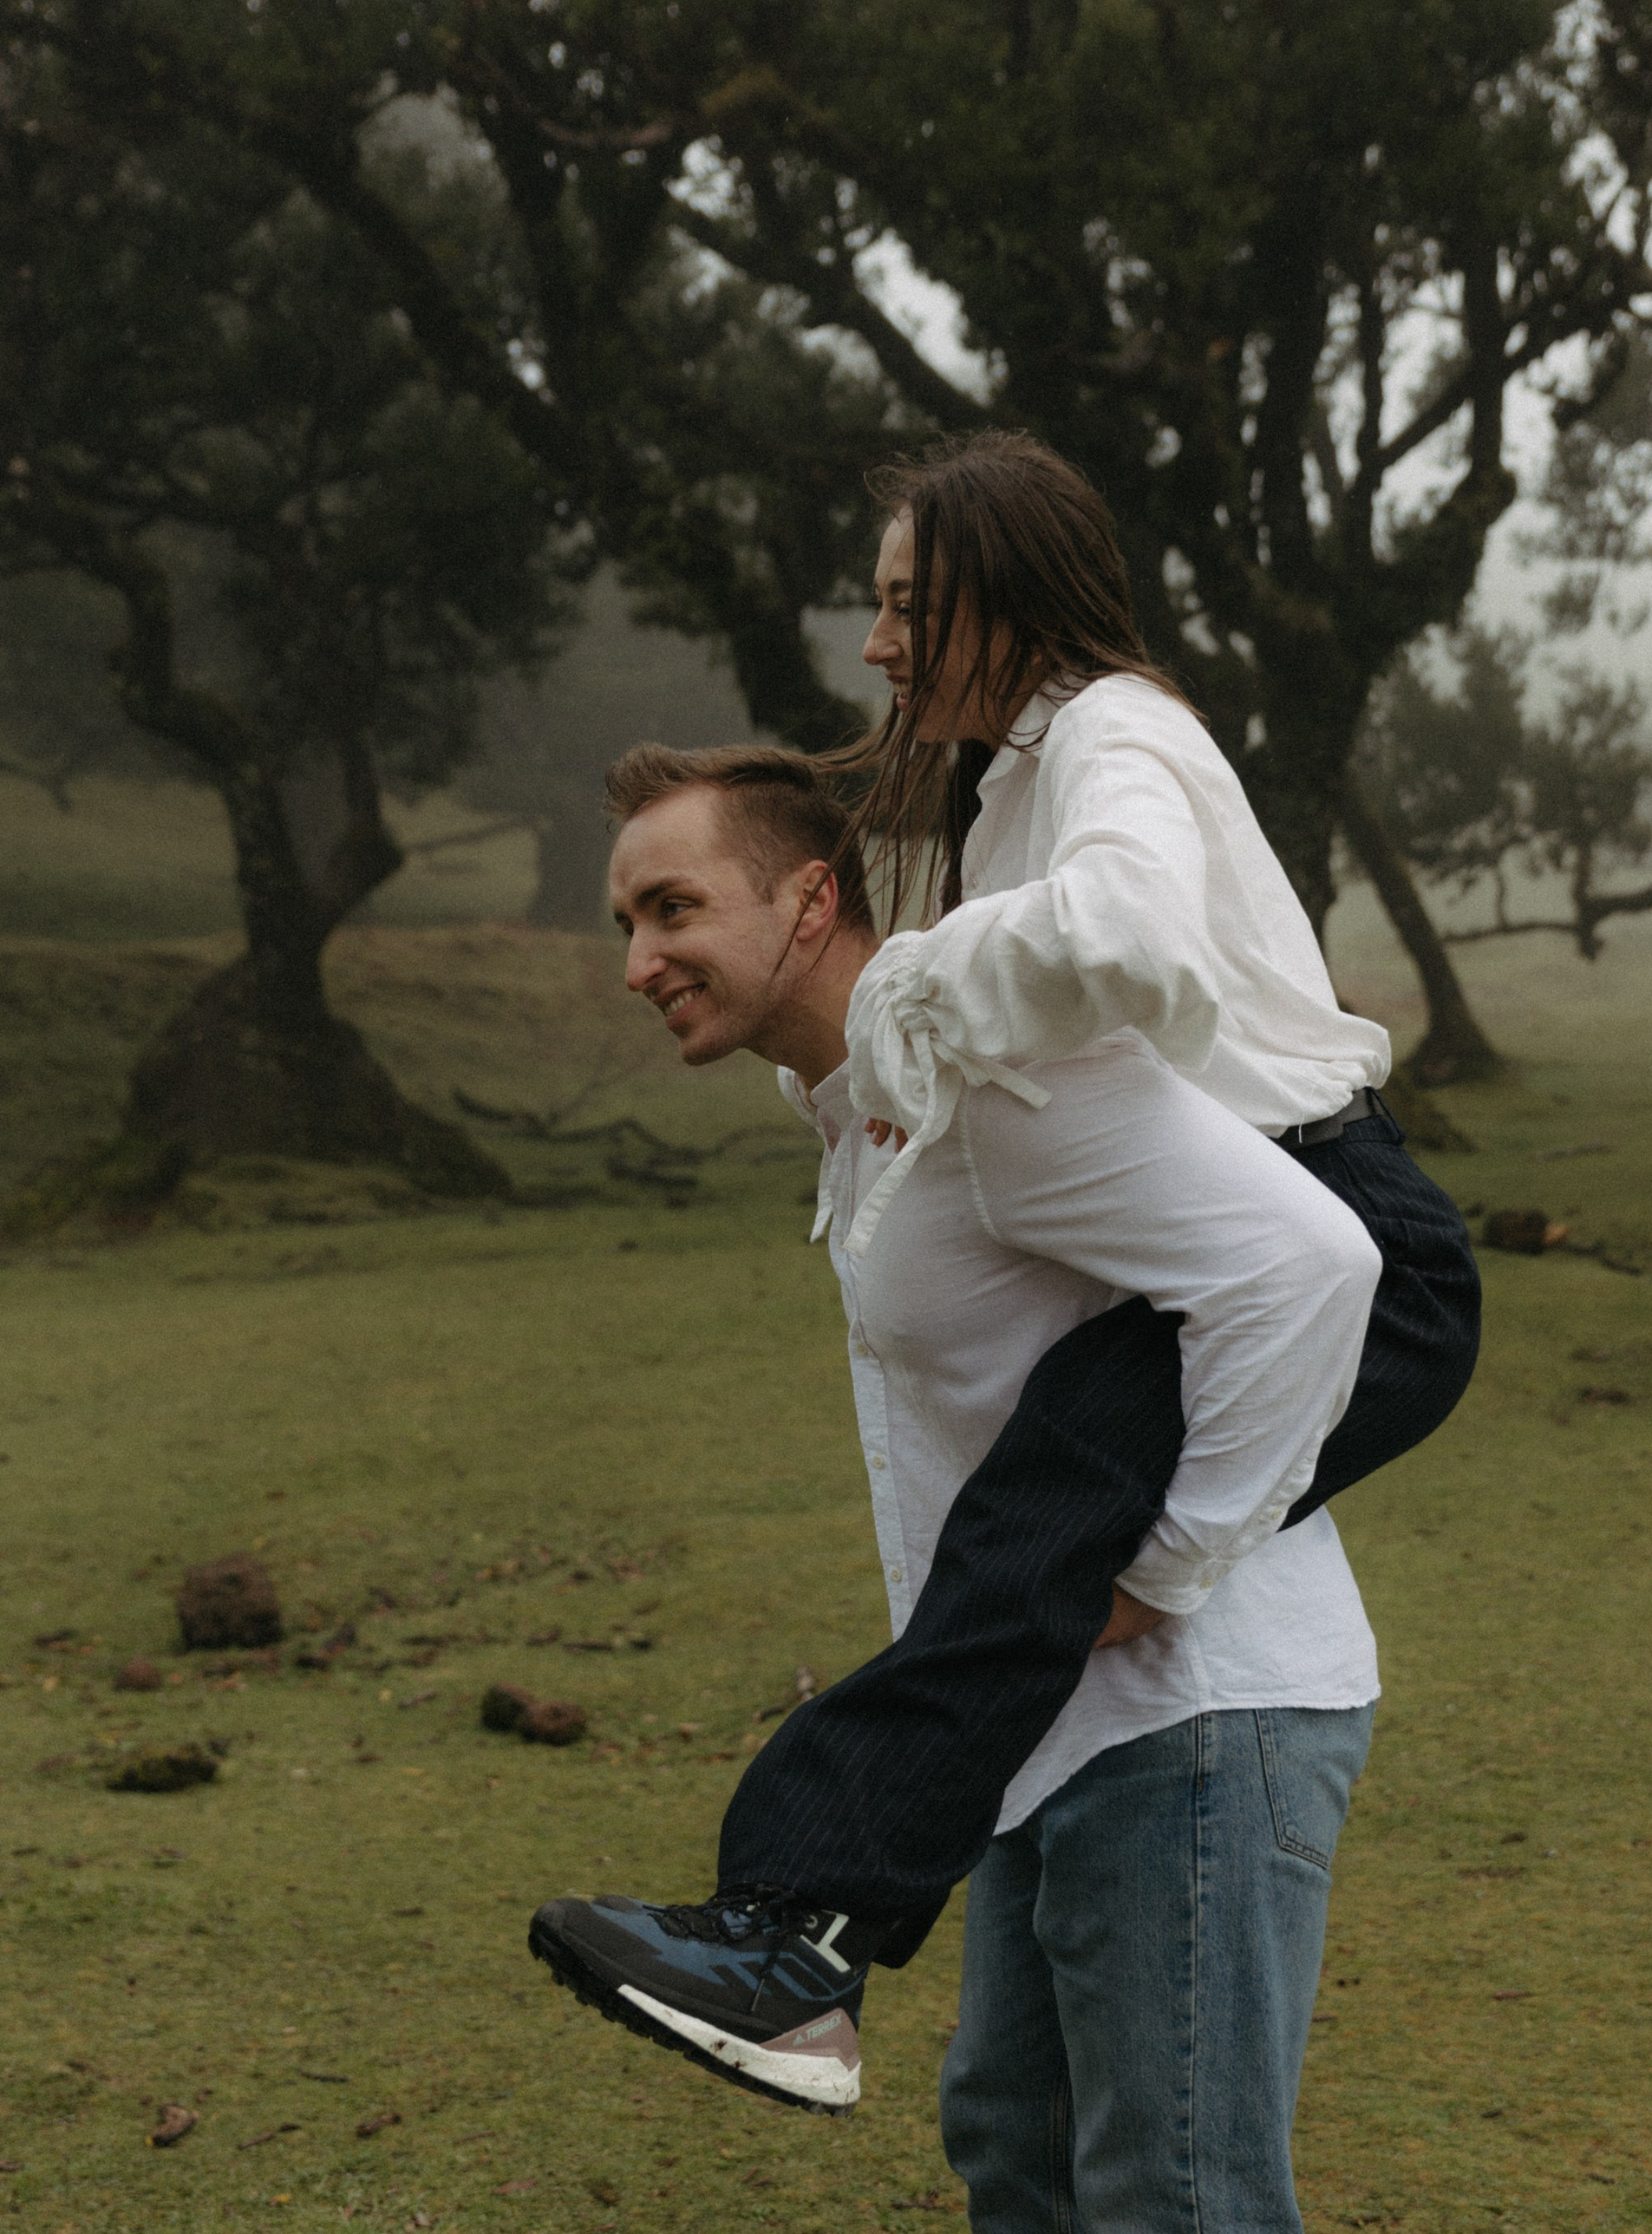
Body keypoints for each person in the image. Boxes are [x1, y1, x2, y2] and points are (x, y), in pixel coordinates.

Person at [538, 739, 1383, 2234]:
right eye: (624, 921)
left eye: (672, 911)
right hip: (1030, 1738)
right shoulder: (857, 1106)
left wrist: (1175, 1564)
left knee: (1187, 2214)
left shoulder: (993, 1080)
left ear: (809, 904)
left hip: (1201, 1718)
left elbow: (1313, 1263)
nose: (638, 959)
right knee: (1013, 2136)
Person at [530, 434, 1479, 2112]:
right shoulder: (1010, 781)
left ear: (1007, 589)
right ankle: (798, 1938)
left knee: (1035, 1542)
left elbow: (1132, 943)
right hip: (1262, 1217)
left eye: (909, 603)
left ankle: (794, 1937)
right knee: (1020, 1542)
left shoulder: (1116, 729)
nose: (880, 644)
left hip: (1354, 1228)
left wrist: (919, 988)